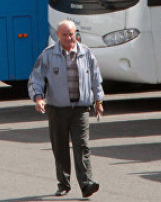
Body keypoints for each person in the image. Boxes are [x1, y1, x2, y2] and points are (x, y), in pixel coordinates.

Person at [28, 19, 105, 198]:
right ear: (57, 35)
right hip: (57, 109)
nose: (69, 38)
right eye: (64, 34)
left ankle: (87, 184)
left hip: (81, 108)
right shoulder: (48, 55)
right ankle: (63, 184)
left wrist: (98, 101)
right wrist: (38, 98)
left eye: (71, 34)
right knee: (60, 147)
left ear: (75, 33)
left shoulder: (86, 53)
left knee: (82, 146)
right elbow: (35, 79)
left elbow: (95, 78)